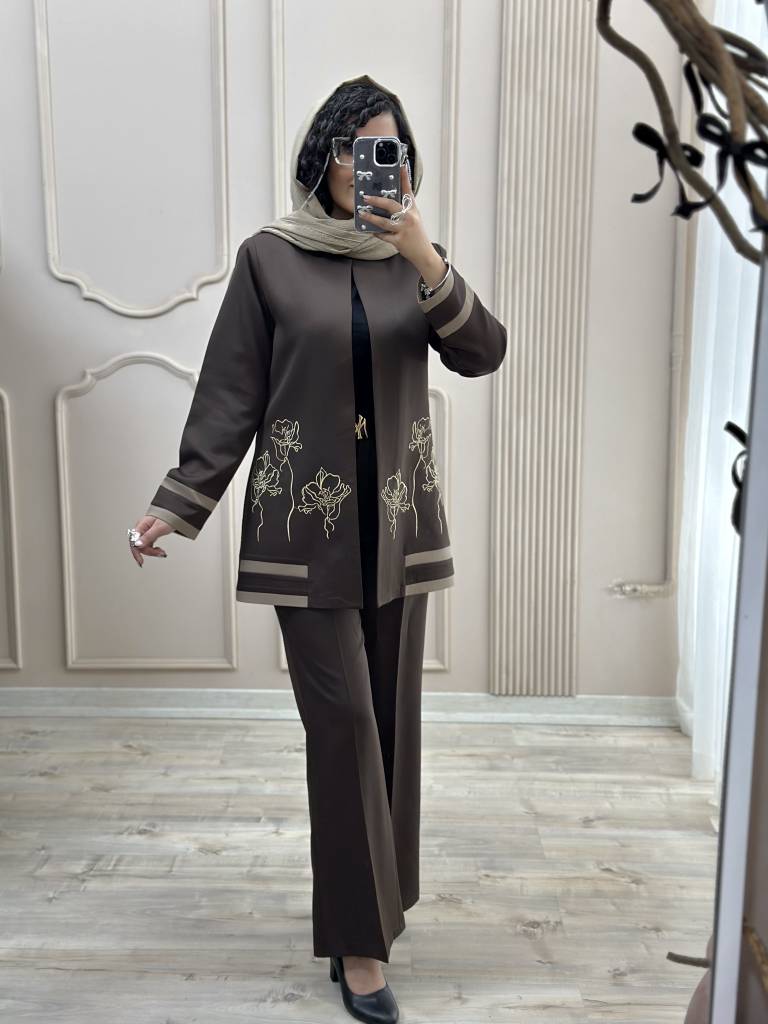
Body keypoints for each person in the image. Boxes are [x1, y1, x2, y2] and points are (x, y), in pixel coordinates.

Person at [128, 73, 507, 1024]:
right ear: (322, 157)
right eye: (352, 147)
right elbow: (231, 393)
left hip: (400, 532)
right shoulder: (270, 258)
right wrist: (179, 502)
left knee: (390, 728)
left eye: (387, 149)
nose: (368, 165)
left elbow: (483, 352)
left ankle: (368, 911)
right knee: (342, 730)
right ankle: (361, 946)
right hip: (306, 535)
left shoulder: (414, 259)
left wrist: (423, 254)